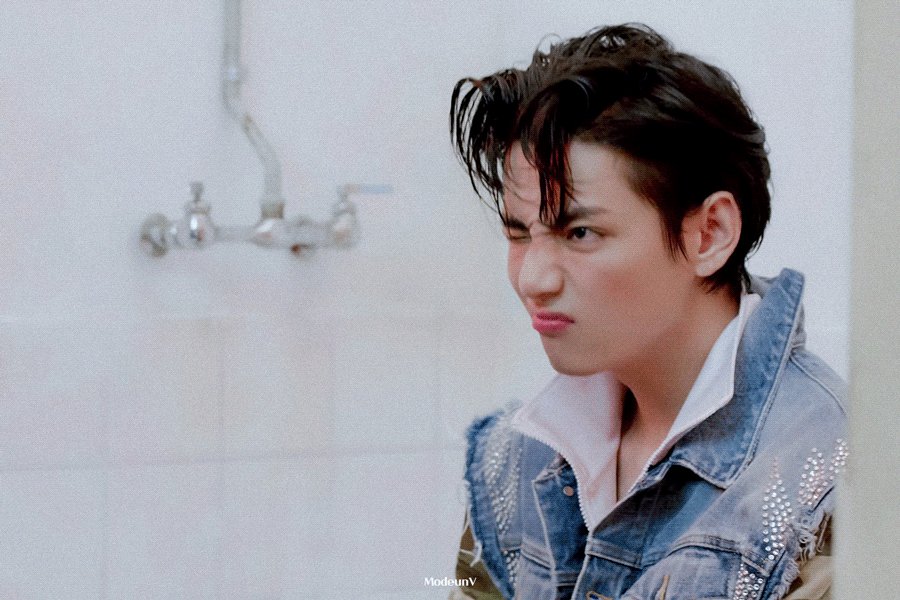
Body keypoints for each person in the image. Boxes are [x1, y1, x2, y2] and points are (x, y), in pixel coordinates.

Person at [447, 24, 846, 600]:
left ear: (709, 233)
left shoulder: (829, 478)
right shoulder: (510, 459)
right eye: (519, 233)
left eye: (580, 233)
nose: (532, 279)